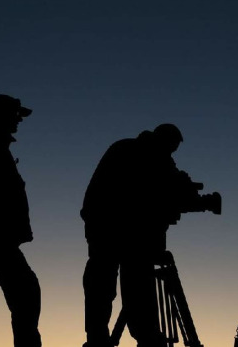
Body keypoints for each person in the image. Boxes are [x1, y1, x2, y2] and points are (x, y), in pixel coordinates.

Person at [81, 123, 215, 347]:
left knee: (110, 285)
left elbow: (163, 190)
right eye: (171, 148)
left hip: (112, 231)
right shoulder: (143, 154)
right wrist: (188, 193)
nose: (172, 153)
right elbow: (158, 191)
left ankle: (108, 338)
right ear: (163, 141)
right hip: (124, 232)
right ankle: (141, 336)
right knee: (130, 285)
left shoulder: (135, 150)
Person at [0, 94, 42, 347]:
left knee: (27, 293)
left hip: (3, 241)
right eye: (15, 116)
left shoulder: (1, 147)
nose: (19, 121)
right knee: (26, 293)